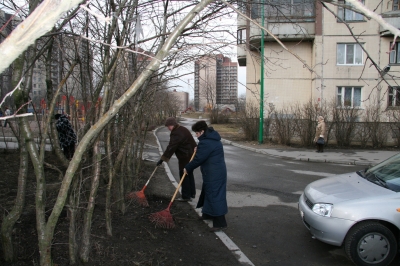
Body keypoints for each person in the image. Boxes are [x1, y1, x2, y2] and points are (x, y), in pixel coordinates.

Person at [184, 120, 228, 232]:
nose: (196, 135)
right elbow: (205, 153)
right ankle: (208, 214)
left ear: (202, 131)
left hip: (214, 174)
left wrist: (188, 167)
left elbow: (199, 159)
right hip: (214, 172)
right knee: (209, 192)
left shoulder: (207, 142)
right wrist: (199, 149)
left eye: (197, 133)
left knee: (215, 195)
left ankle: (220, 223)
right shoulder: (210, 139)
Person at [157, 117, 197, 201]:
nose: (168, 128)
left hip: (185, 156)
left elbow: (171, 147)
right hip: (190, 155)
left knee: (184, 174)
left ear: (172, 125)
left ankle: (186, 196)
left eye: (168, 126)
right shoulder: (182, 129)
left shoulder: (176, 133)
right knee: (189, 174)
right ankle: (191, 194)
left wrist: (162, 159)